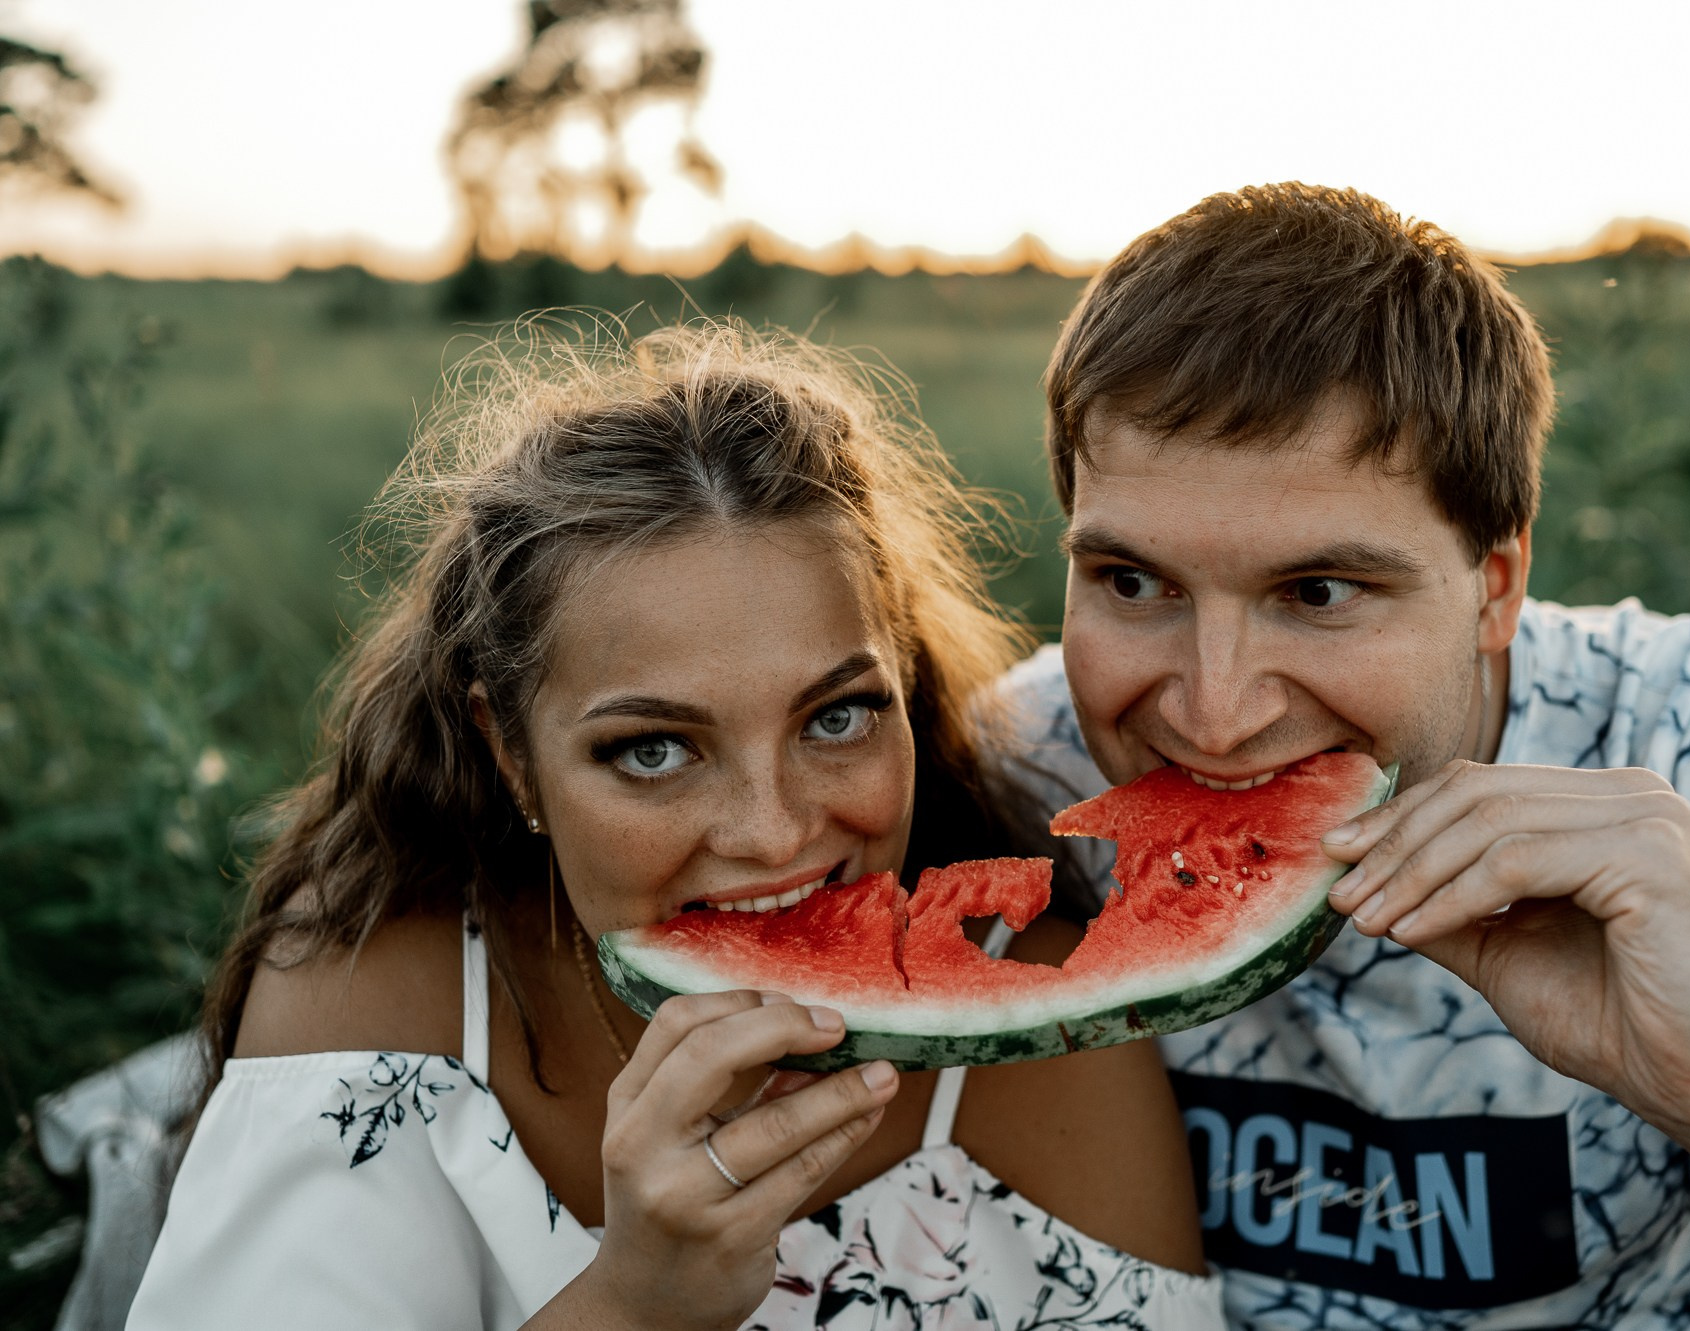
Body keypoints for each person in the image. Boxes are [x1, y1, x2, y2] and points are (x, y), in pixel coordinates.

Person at [986, 184, 1690, 1329]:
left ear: (1493, 588)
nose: (1213, 713)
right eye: (1132, 581)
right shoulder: (1020, 777)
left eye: (1317, 592)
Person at [127, 322, 1226, 1330]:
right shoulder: (376, 994)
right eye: (653, 749)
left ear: (906, 682)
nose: (771, 830)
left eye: (836, 716)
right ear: (508, 750)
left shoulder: (1050, 1036)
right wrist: (632, 1305)